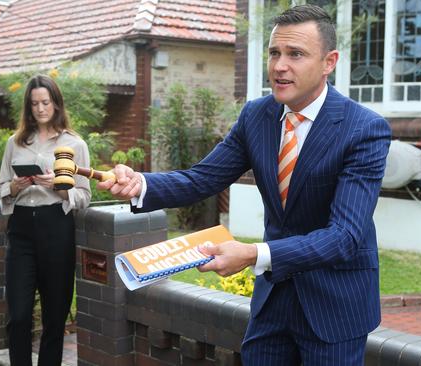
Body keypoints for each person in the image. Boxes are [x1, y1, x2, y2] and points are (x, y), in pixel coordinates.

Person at [98, 5, 391, 365]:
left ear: (329, 61)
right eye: (274, 53)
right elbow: (203, 177)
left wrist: (253, 254)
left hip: (335, 304)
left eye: (295, 54)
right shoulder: (257, 115)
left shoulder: (364, 129)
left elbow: (344, 236)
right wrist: (141, 183)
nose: (280, 66)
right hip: (273, 302)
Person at [0, 75, 91, 366]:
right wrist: (16, 186)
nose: (40, 108)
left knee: (55, 315)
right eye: (34, 103)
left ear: (56, 103)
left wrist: (60, 188)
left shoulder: (75, 144)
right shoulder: (15, 142)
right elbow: (1, 188)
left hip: (56, 227)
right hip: (21, 229)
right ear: (28, 106)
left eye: (45, 102)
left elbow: (85, 197)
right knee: (19, 315)